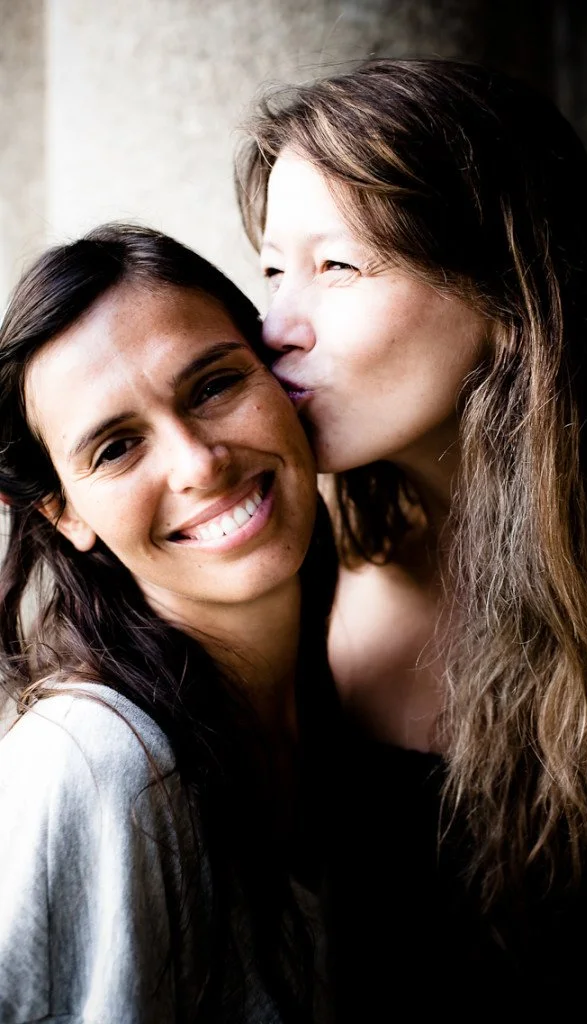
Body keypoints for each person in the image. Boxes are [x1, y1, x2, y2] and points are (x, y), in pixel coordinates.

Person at [237, 58, 587, 1022]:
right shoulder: (303, 520)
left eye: (337, 266)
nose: (275, 326)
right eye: (272, 272)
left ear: (504, 296)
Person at [0, 224, 338, 1023]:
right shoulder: (98, 767)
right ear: (62, 510)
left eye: (215, 386)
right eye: (116, 448)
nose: (198, 464)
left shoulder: (340, 684)